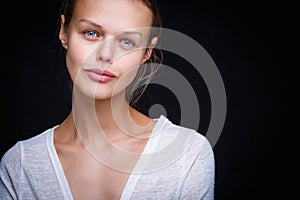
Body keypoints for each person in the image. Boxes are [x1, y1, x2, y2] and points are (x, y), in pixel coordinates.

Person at [0, 0, 215, 199]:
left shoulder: (187, 154)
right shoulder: (20, 165)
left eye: (127, 41)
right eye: (91, 33)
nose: (106, 55)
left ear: (147, 52)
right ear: (64, 32)